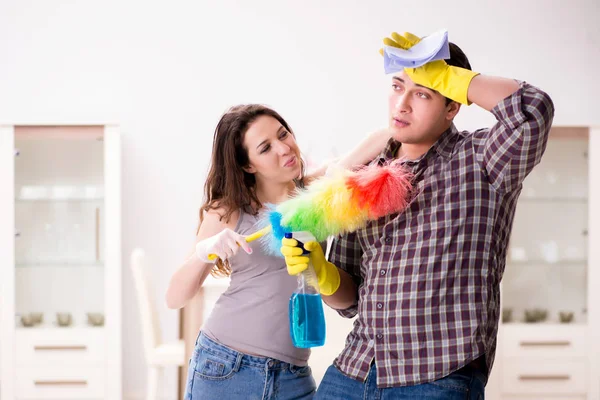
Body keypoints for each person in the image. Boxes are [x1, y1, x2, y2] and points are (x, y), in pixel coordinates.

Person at [281, 31, 555, 399]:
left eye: (423, 92)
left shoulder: (483, 160)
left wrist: (450, 77)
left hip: (438, 376)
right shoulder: (362, 176)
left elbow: (532, 112)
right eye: (397, 86)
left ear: (452, 105)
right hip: (354, 371)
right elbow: (349, 300)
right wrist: (321, 273)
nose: (402, 104)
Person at [165, 104, 391, 400]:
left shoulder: (316, 195)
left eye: (284, 134)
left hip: (293, 375)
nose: (284, 149)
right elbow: (174, 298)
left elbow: (381, 139)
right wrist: (204, 252)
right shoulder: (229, 210)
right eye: (265, 147)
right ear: (248, 166)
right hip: (228, 367)